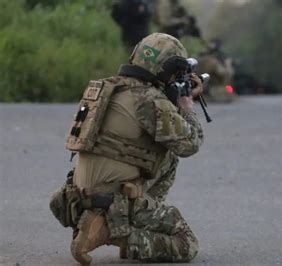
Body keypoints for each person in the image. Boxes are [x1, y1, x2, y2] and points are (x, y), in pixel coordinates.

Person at [50, 33, 203, 264]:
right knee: (186, 243)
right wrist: (186, 106)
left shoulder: (106, 88)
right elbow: (190, 143)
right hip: (113, 200)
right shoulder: (149, 100)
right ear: (166, 68)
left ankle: (114, 223)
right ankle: (118, 233)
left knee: (167, 156)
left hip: (78, 199)